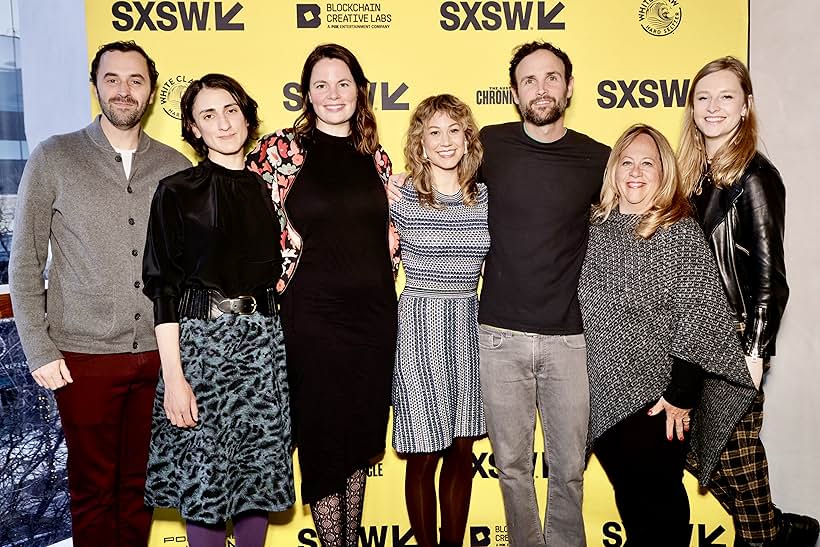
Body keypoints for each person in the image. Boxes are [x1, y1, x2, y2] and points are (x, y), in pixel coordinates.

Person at [8, 41, 191, 546]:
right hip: (82, 357)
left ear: (151, 91)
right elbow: (24, 259)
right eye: (112, 79)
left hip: (157, 354)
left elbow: (184, 267)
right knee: (91, 491)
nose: (124, 90)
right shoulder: (54, 156)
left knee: (139, 489)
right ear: (96, 86)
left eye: (135, 80)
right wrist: (38, 347)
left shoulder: (175, 167)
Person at [246, 43, 398, 547]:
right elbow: (245, 227)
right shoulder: (280, 151)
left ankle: (348, 541)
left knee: (358, 440)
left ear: (360, 90)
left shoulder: (375, 157)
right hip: (312, 317)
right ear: (306, 93)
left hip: (375, 317)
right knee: (324, 440)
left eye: (343, 83)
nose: (333, 94)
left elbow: (388, 235)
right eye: (321, 84)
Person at [578, 124, 756, 547]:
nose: (635, 173)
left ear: (664, 173)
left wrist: (681, 394)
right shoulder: (593, 227)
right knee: (633, 506)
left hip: (660, 402)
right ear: (613, 170)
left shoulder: (679, 231)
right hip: (602, 397)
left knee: (660, 510)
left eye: (648, 164)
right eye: (627, 163)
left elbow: (702, 320)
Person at [141, 74, 293, 547]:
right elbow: (162, 290)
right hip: (201, 350)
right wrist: (175, 378)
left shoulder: (274, 191)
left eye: (231, 110)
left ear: (247, 116)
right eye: (209, 115)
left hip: (263, 348)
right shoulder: (175, 191)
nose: (223, 123)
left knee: (256, 485)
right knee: (204, 489)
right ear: (193, 127)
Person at [678, 56, 820, 547]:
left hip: (737, 345)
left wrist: (755, 354)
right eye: (703, 97)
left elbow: (769, 280)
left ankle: (767, 535)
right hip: (698, 343)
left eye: (726, 97)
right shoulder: (697, 177)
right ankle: (784, 530)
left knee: (737, 460)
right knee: (708, 457)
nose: (713, 107)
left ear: (746, 107)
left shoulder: (755, 178)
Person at [475, 42, 609, 547]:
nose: (541, 89)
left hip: (570, 338)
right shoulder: (489, 144)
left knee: (570, 466)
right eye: (529, 80)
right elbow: (437, 180)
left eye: (552, 78)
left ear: (570, 87)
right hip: (498, 335)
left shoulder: (598, 158)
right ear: (514, 92)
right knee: (511, 466)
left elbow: (637, 222)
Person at [390, 94, 489, 547]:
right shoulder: (400, 195)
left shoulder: (485, 196)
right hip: (418, 328)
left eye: (455, 130)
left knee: (461, 450)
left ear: (468, 140)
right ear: (420, 143)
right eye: (435, 132)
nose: (446, 141)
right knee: (424, 455)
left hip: (467, 327)